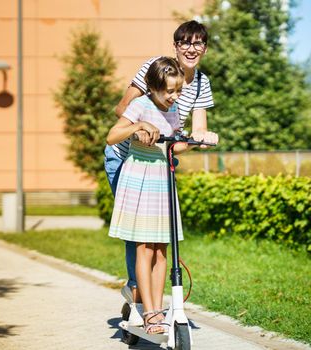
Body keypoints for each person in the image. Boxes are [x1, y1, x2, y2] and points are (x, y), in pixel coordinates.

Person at [103, 20, 218, 309]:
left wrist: (201, 139)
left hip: (157, 164)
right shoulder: (156, 68)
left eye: (198, 43)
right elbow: (123, 109)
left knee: (155, 238)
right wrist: (141, 127)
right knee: (137, 234)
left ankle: (143, 298)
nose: (192, 49)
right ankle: (138, 294)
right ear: (176, 45)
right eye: (186, 43)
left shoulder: (201, 84)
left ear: (205, 47)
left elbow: (192, 132)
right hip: (126, 157)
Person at [107, 57, 198, 334]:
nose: (175, 96)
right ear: (153, 87)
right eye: (169, 91)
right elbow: (112, 136)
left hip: (162, 177)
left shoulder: (175, 110)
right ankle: (149, 314)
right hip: (140, 178)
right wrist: (138, 127)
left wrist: (194, 142)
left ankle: (156, 312)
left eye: (178, 90)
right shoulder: (140, 105)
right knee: (144, 247)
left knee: (161, 249)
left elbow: (173, 146)